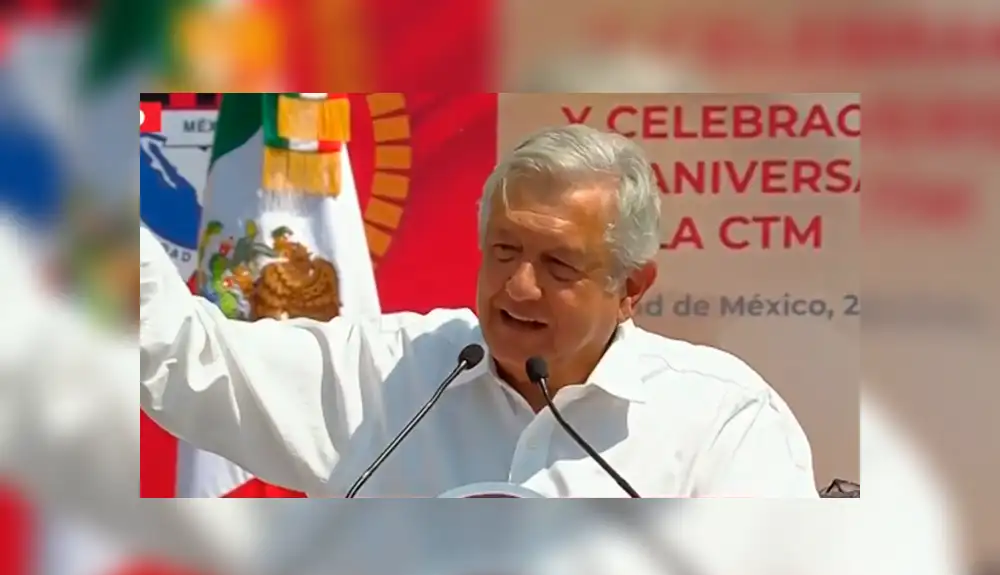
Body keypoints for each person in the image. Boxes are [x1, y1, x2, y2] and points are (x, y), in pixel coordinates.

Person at [139, 124, 818, 498]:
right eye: (503, 251)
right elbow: (183, 355)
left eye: (558, 266)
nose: (518, 287)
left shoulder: (721, 421)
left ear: (630, 287)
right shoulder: (397, 376)